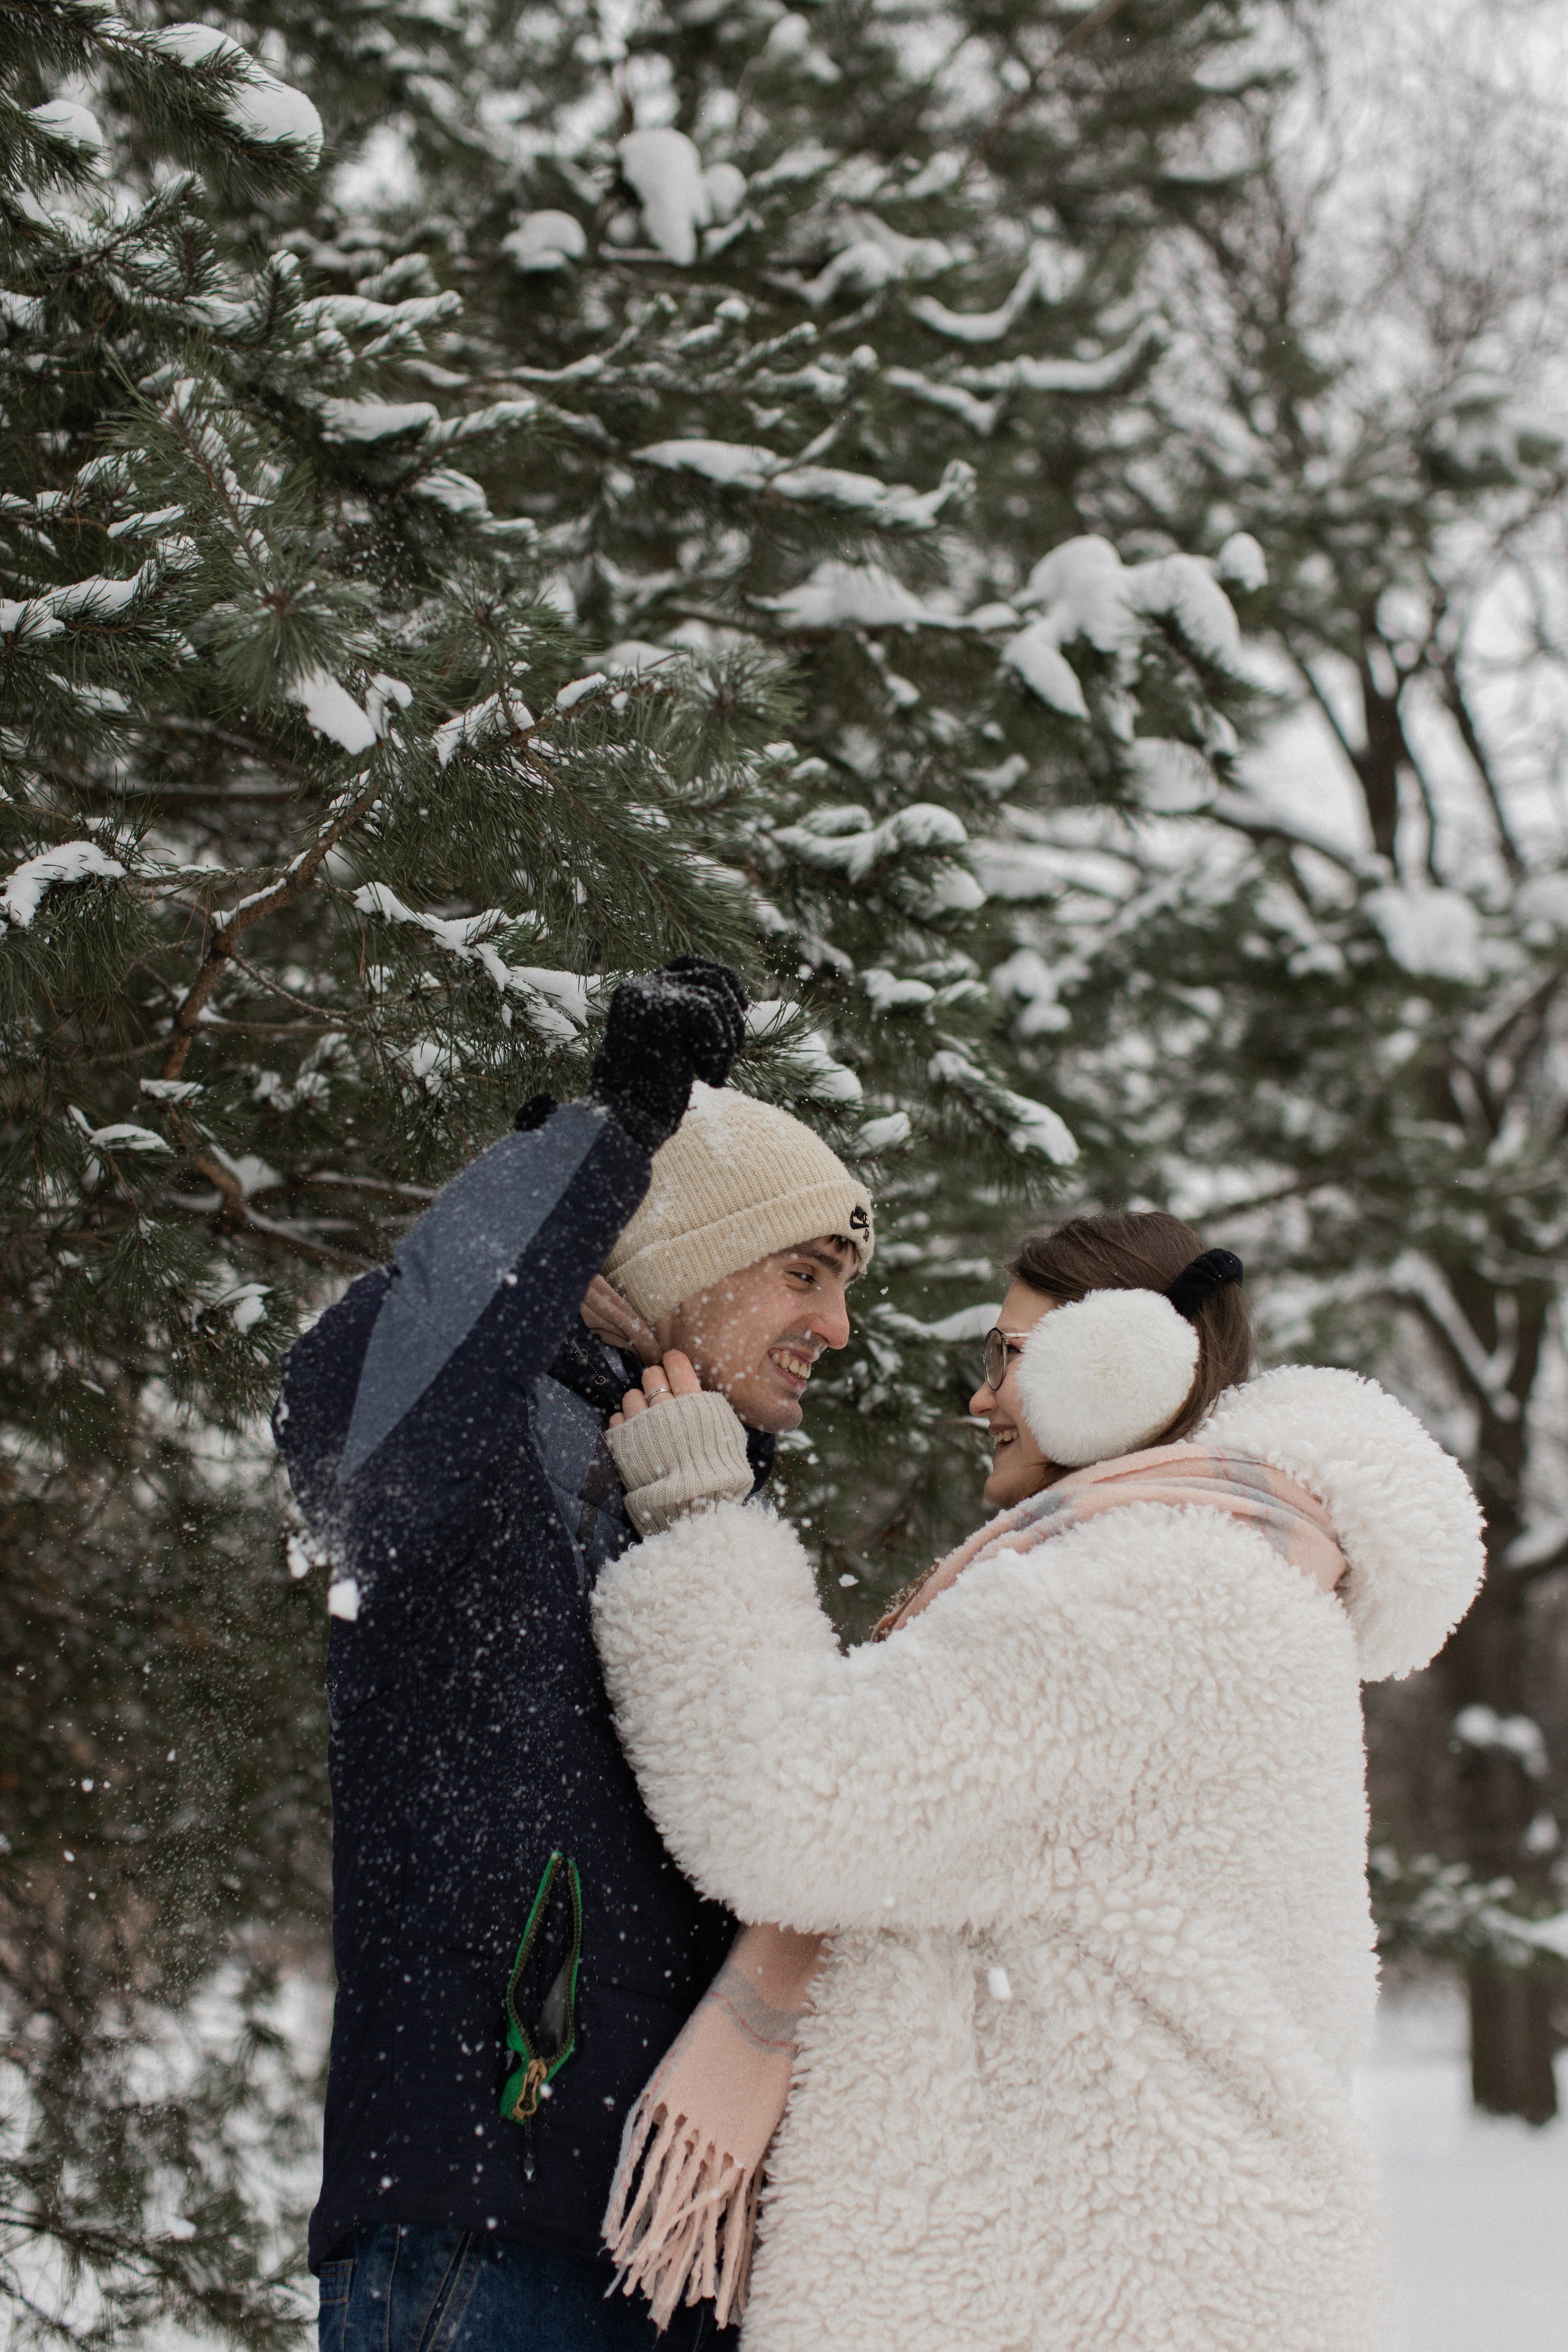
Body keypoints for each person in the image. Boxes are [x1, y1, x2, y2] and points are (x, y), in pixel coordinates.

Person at [590, 1208, 1486, 2352]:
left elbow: (793, 1804)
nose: (982, 1399)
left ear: (1119, 1363)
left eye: (1009, 1356)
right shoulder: (1220, 1571)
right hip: (1151, 2272)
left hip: (1112, 2287)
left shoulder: (1153, 1592)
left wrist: (700, 1519)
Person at [273, 957, 875, 2352]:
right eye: (804, 1273)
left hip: (679, 2250)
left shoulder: (696, 1498)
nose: (836, 1329)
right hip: (482, 2228)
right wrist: (610, 1137)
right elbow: (376, 1414)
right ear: (682, 1254)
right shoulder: (468, 1457)